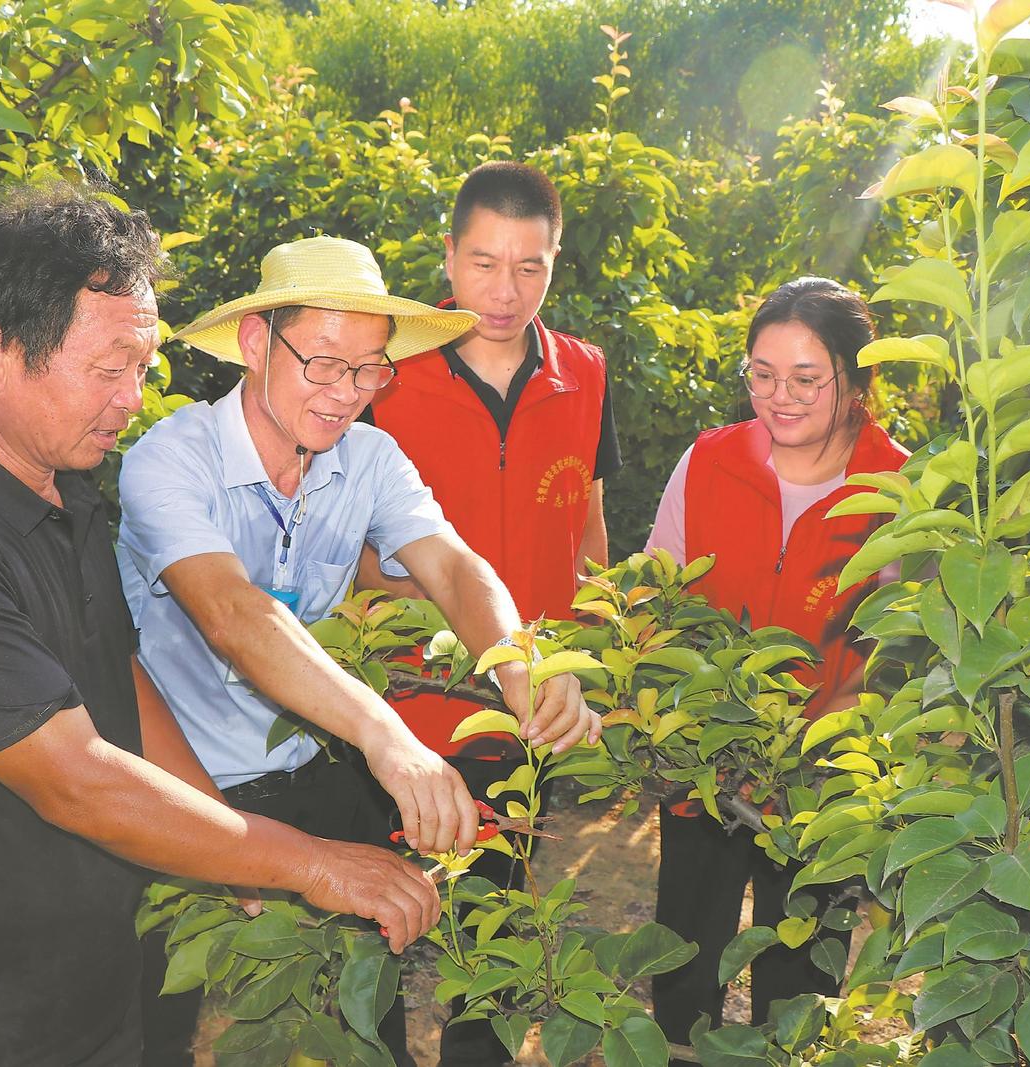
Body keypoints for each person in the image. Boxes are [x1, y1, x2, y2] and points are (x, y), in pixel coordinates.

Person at [0, 188, 443, 1066]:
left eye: (142, 367)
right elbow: (78, 780)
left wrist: (223, 833)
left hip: (94, 981)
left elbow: (118, 677)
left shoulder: (63, 486)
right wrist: (308, 862)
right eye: (108, 369)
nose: (132, 399)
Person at [117, 235, 603, 1064]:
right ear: (254, 343)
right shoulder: (171, 458)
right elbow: (233, 613)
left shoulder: (368, 458)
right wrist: (387, 735)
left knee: (364, 1019)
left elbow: (453, 565)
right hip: (181, 785)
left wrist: (520, 669)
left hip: (310, 766)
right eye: (324, 364)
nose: (347, 394)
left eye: (370, 369)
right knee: (151, 1022)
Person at [362, 161, 618, 1066]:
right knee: (377, 926)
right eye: (482, 264)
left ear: (556, 261)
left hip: (521, 705)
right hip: (401, 703)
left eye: (530, 266)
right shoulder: (385, 374)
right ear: (448, 255)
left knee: (498, 927)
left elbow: (587, 530)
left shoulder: (584, 375)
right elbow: (353, 547)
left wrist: (592, 660)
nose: (504, 292)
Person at [643, 277, 908, 1051]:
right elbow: (657, 606)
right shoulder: (709, 462)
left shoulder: (893, 486)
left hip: (817, 786)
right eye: (761, 374)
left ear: (856, 384)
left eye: (805, 379)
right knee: (684, 970)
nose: (778, 397)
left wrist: (822, 737)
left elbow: (900, 650)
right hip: (703, 772)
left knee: (797, 990)